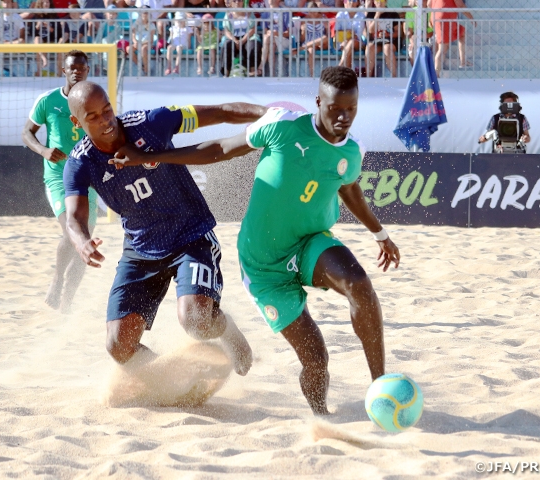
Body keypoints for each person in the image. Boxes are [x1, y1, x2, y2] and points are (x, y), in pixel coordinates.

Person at [110, 66, 400, 415]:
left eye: (351, 109)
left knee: (360, 285)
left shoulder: (353, 150)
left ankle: (380, 387)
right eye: (335, 108)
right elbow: (220, 147)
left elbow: (349, 186)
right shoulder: (283, 125)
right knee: (316, 358)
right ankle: (322, 417)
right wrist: (155, 156)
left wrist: (380, 233)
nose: (343, 117)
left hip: (310, 242)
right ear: (318, 102)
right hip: (264, 267)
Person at [63, 81, 265, 375]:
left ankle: (226, 328)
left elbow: (220, 111)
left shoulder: (151, 122)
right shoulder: (80, 162)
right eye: (92, 116)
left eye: (107, 109)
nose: (105, 120)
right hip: (141, 248)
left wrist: (268, 112)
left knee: (196, 322)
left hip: (190, 235)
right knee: (118, 346)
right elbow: (74, 218)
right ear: (76, 122)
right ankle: (173, 379)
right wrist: (82, 242)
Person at [22, 51, 99, 314]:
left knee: (85, 240)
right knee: (71, 230)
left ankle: (68, 299)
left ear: (88, 70)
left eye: (82, 68)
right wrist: (44, 150)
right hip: (57, 175)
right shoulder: (48, 100)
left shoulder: (95, 98)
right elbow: (27, 132)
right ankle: (57, 279)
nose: (77, 71)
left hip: (88, 175)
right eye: (72, 68)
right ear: (63, 70)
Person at [428, 0, 475, 75]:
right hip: (445, 18)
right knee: (443, 48)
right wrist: (471, 17)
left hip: (439, 17)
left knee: (461, 32)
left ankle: (463, 61)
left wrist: (431, 17)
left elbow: (429, 4)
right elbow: (460, 4)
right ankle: (435, 75)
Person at [221, 0, 260, 77]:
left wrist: (243, 40)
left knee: (253, 45)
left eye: (239, 0)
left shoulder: (248, 13)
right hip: (233, 38)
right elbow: (226, 30)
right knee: (227, 45)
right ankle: (226, 73)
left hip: (247, 37)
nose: (237, 2)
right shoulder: (228, 14)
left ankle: (252, 72)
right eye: (234, 0)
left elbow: (253, 28)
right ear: (231, 3)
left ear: (243, 2)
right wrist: (235, 40)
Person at [364, 0, 399, 77]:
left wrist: (388, 34)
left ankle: (394, 76)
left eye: (382, 0)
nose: (379, 2)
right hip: (376, 41)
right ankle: (368, 76)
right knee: (369, 47)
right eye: (377, 0)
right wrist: (377, 15)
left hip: (390, 41)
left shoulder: (393, 14)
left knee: (387, 48)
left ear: (386, 2)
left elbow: (398, 32)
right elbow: (370, 30)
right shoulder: (370, 14)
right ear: (374, 2)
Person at [332, 0, 366, 71]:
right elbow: (336, 32)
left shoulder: (361, 15)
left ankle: (339, 67)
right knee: (348, 46)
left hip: (357, 42)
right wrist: (347, 33)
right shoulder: (340, 14)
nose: (351, 2)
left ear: (357, 2)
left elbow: (359, 35)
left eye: (354, 0)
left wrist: (350, 36)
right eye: (349, 0)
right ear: (345, 2)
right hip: (342, 42)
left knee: (350, 43)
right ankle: (347, 72)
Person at [128, 6, 156, 76]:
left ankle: (146, 71)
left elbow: (151, 40)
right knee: (129, 49)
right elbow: (133, 36)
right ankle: (141, 67)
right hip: (138, 43)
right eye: (143, 12)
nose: (144, 14)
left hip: (147, 43)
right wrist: (135, 42)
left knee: (143, 49)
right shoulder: (136, 24)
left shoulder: (152, 25)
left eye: (146, 12)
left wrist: (141, 43)